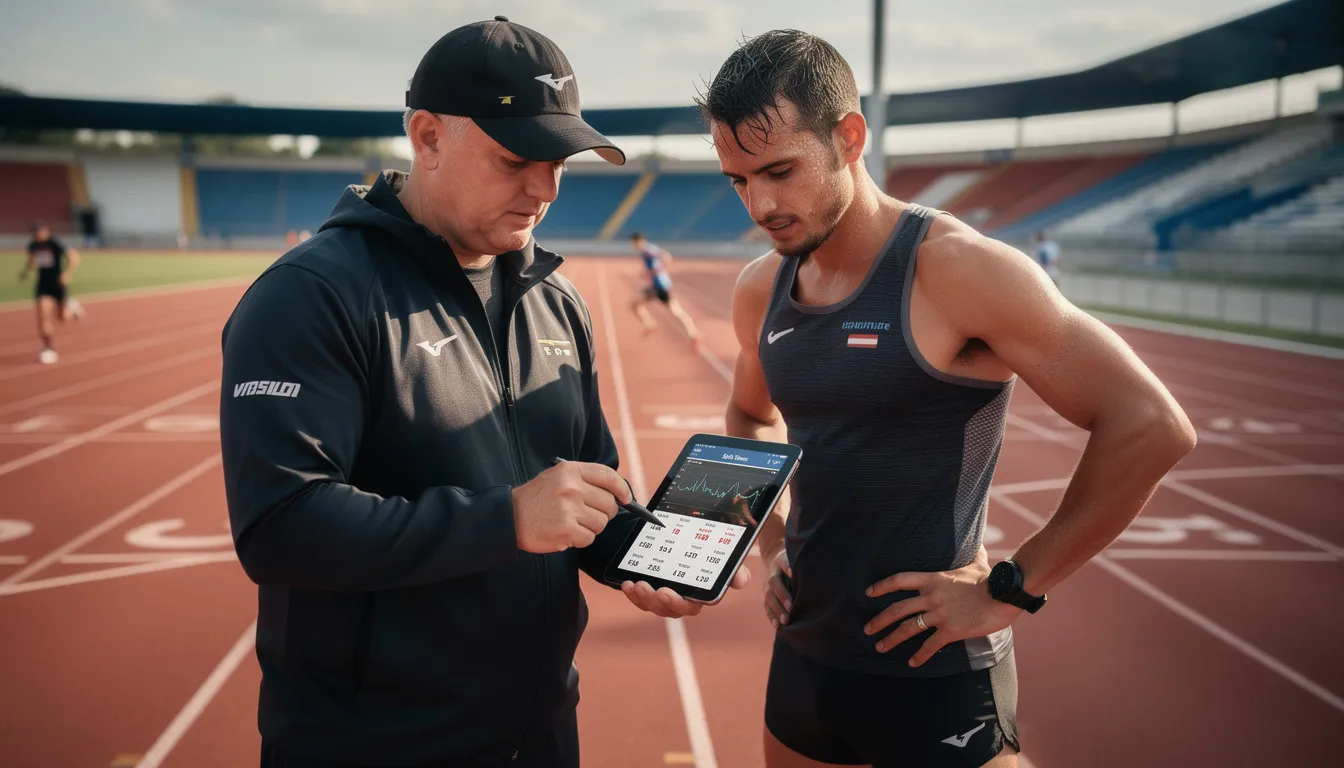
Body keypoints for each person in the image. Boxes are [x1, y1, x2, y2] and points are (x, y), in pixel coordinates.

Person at [218, 17, 746, 768]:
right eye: (516, 158)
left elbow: (585, 496)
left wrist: (645, 556)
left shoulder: (557, 303)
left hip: (540, 735)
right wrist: (507, 519)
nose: (546, 189)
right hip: (374, 746)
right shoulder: (312, 297)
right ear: (428, 137)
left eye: (560, 160)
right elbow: (280, 525)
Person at [699, 30, 1197, 768]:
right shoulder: (758, 290)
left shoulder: (957, 271)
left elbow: (1151, 425)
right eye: (738, 180)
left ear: (850, 136)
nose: (760, 204)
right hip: (805, 655)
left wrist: (1012, 587)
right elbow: (748, 414)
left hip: (939, 671)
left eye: (779, 170)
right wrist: (768, 542)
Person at [18, 220, 84, 364]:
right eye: (33, 233)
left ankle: (72, 309)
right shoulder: (33, 245)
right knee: (43, 315)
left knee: (62, 318)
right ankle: (48, 348)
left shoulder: (54, 243)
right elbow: (31, 260)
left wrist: (67, 274)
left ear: (45, 231)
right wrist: (25, 271)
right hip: (43, 285)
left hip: (58, 284)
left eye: (38, 232)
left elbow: (73, 256)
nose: (36, 235)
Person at [628, 231, 701, 347]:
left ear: (638, 241)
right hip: (657, 286)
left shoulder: (648, 250)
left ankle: (693, 333)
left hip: (660, 286)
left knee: (675, 311)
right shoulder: (645, 250)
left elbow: (666, 257)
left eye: (633, 243)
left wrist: (652, 272)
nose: (633, 246)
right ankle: (651, 325)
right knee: (634, 304)